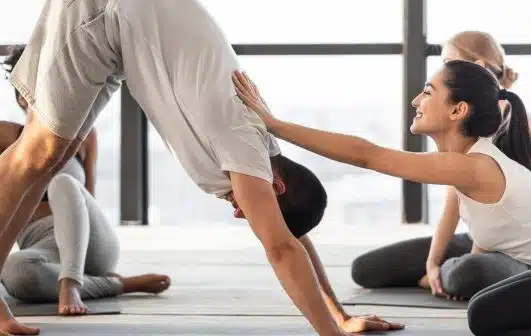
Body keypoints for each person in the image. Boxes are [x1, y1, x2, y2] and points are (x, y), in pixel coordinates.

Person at [0, 1, 400, 335]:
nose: (242, 213)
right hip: (106, 12)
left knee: (51, 159)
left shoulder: (263, 153)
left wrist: (340, 315)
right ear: (276, 186)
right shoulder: (242, 143)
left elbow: (290, 236)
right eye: (248, 212)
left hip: (122, 34)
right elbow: (280, 247)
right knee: (38, 152)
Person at [232, 60, 531, 334]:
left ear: (457, 111)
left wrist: (275, 125)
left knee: (486, 315)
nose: (417, 99)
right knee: (491, 304)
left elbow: (369, 156)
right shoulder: (473, 162)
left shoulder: (472, 165)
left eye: (428, 92)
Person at [350, 31, 531, 301]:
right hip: (478, 238)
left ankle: (447, 276)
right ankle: (440, 275)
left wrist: (461, 263)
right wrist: (432, 264)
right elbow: (452, 204)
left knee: (466, 274)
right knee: (365, 270)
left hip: (521, 249)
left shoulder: (519, 126)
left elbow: (496, 220)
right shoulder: (469, 125)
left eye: (449, 62)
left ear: (477, 67)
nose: (444, 71)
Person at [0, 45, 171, 317]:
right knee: (14, 273)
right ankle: (118, 285)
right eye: (29, 90)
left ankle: (71, 283)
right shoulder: (8, 135)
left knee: (63, 184)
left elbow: (87, 195)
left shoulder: (83, 135)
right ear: (20, 96)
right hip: (43, 248)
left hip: (91, 241)